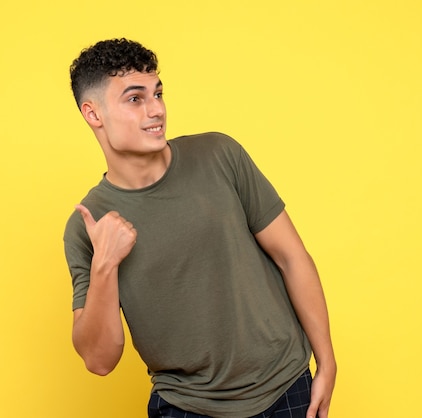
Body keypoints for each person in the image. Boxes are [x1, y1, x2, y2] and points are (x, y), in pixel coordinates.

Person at [63, 38, 336, 418]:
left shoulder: (220, 155)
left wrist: (326, 362)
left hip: (286, 390)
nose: (156, 109)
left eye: (158, 93)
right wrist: (105, 263)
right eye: (135, 98)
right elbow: (98, 360)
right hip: (188, 407)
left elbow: (292, 257)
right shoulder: (87, 226)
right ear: (93, 114)